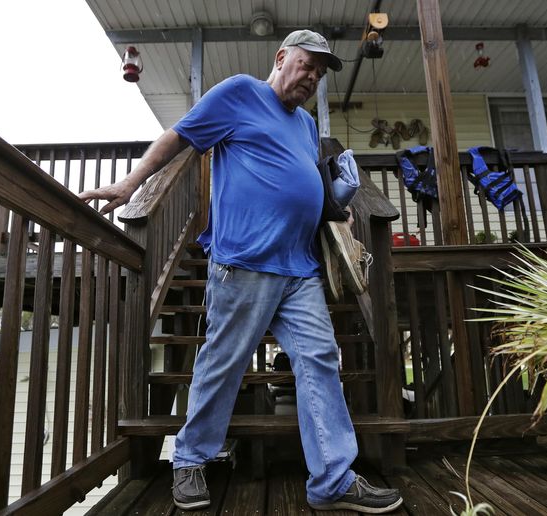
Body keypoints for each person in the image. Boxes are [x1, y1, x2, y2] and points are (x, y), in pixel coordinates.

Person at [79, 29, 402, 514]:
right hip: (243, 262)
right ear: (280, 58)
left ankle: (332, 480)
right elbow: (180, 137)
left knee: (320, 362)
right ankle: (190, 460)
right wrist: (130, 182)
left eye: (319, 72)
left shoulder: (306, 127)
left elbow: (304, 181)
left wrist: (335, 207)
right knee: (222, 364)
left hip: (300, 268)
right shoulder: (238, 94)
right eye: (306, 65)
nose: (311, 77)